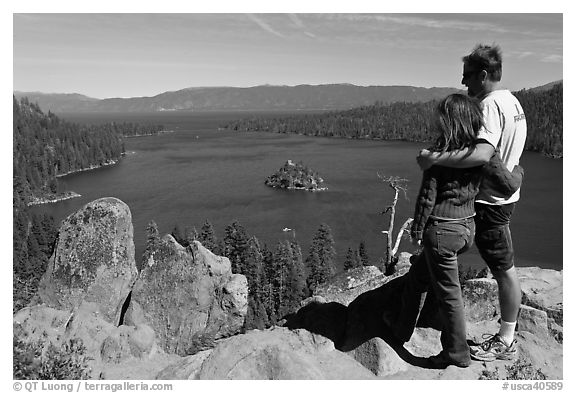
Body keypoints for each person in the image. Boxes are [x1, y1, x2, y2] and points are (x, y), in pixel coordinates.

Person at [417, 44, 527, 362]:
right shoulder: (512, 101)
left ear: (482, 75)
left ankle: (505, 339)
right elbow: (508, 156)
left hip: (491, 202)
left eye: (467, 77)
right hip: (505, 195)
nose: (464, 84)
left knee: (504, 270)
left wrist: (433, 158)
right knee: (441, 261)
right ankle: (423, 314)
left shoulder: (491, 105)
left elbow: (482, 154)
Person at [403, 93, 485, 368]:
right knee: (417, 277)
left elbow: (427, 197)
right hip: (466, 229)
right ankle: (401, 327)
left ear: (447, 122)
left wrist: (417, 229)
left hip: (442, 232)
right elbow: (504, 182)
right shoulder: (478, 153)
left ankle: (456, 353)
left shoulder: (439, 154)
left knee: (450, 295)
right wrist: (518, 174)